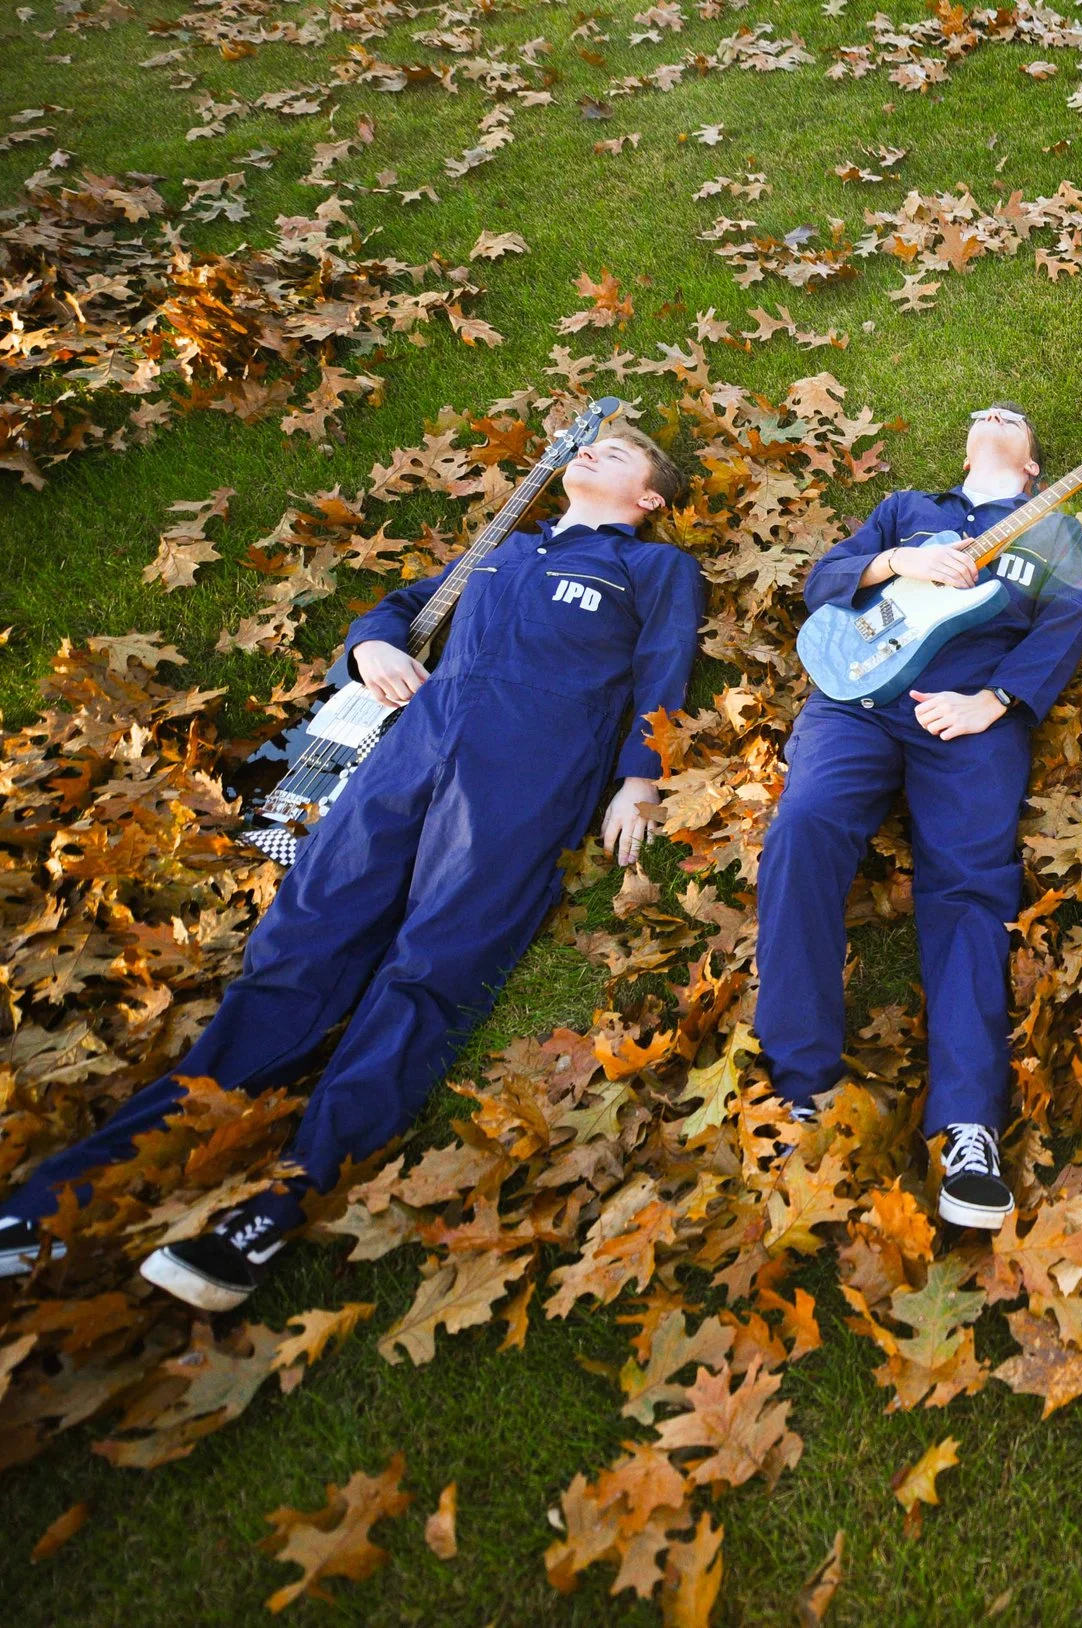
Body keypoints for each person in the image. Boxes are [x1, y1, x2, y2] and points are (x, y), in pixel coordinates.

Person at [0, 423, 706, 1306]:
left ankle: (283, 1202)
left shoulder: (654, 569)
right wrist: (370, 646)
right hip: (407, 760)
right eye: (590, 443)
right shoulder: (501, 550)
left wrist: (640, 781)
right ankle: (56, 1198)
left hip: (526, 777)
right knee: (294, 956)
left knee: (427, 970)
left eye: (622, 450)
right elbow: (402, 606)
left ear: (650, 500)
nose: (595, 448)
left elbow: (662, 670)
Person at [755, 404, 1082, 1230]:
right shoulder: (909, 508)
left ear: (1034, 469)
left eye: (1017, 418)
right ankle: (801, 1085)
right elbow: (822, 581)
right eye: (984, 412)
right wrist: (897, 559)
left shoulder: (1056, 532)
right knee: (801, 828)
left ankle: (969, 1125)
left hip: (967, 719)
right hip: (855, 703)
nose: (997, 412)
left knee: (971, 886)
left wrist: (997, 700)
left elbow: (1065, 624)